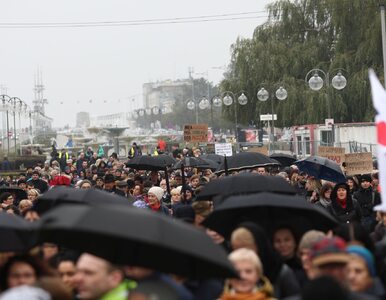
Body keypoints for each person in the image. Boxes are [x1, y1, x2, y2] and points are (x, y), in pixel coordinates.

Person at [230, 222, 300, 298]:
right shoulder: (229, 273)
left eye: (247, 249)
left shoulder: (281, 271)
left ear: (259, 247)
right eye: (236, 250)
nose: (242, 254)